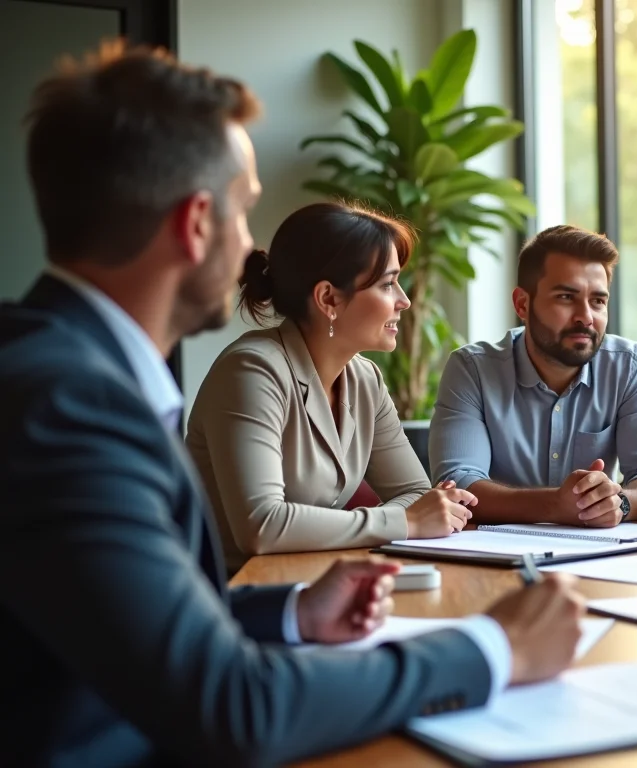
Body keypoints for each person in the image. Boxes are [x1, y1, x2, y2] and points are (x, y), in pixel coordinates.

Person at [0, 42, 585, 765]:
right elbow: (231, 705)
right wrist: (493, 647)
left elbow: (136, 623)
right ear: (195, 222)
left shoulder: (66, 373)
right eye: (244, 213)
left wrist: (291, 609)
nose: (252, 250)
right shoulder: (70, 409)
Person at [186, 202, 475, 572]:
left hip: (313, 581)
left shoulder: (364, 378)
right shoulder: (251, 371)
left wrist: (412, 514)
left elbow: (416, 493)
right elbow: (261, 526)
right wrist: (406, 522)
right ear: (329, 299)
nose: (404, 301)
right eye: (387, 284)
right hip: (232, 596)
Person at [429, 225, 637, 526]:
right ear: (522, 304)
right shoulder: (473, 369)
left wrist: (618, 504)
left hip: (597, 556)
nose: (586, 317)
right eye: (566, 297)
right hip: (495, 555)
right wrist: (554, 506)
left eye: (598, 301)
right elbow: (457, 484)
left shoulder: (628, 366)